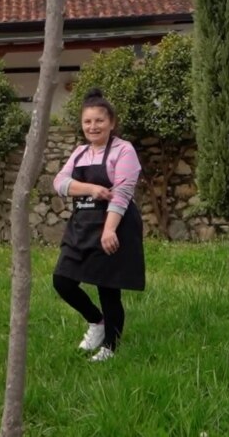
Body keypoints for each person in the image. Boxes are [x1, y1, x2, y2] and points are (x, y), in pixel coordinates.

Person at [52, 88, 145, 362]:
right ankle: (96, 322)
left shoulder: (124, 150)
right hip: (82, 226)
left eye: (99, 121)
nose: (93, 127)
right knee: (62, 281)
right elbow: (59, 183)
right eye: (87, 122)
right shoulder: (80, 153)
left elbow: (123, 192)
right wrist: (90, 187)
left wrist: (109, 229)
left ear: (111, 122)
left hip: (115, 224)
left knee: (108, 287)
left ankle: (110, 348)